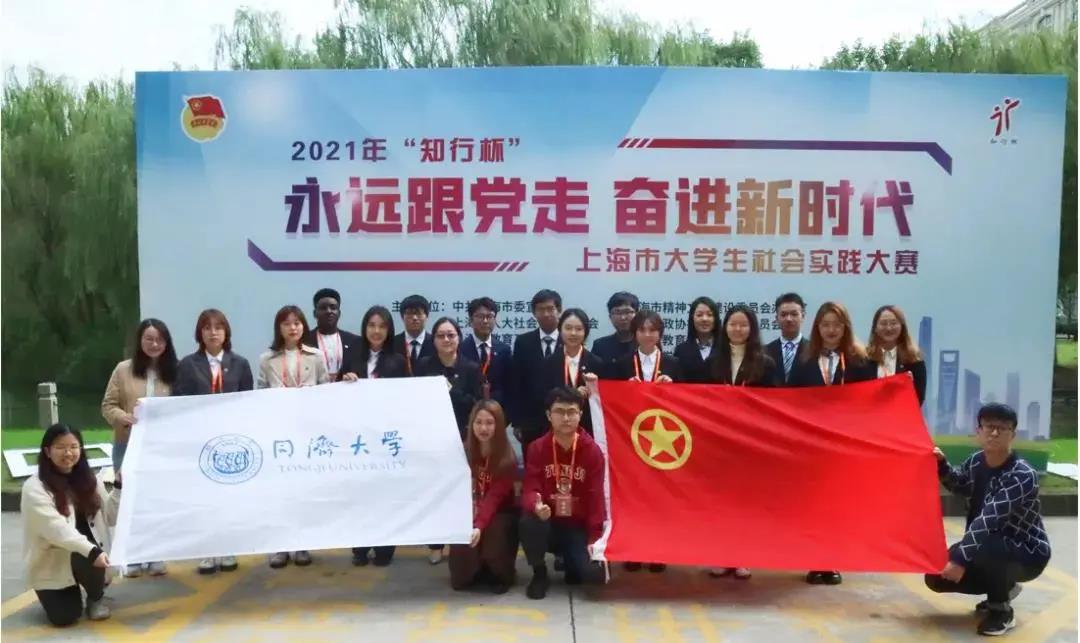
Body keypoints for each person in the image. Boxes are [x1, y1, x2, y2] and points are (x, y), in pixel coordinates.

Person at [925, 404, 1051, 637]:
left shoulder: (1022, 475)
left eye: (1002, 428)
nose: (994, 433)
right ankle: (1004, 586)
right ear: (978, 431)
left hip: (1028, 553)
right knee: (936, 578)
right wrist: (941, 464)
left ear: (1012, 435)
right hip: (988, 546)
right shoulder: (976, 462)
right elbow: (960, 485)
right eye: (989, 427)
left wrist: (960, 559)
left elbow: (989, 518)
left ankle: (1001, 611)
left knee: (987, 545)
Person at [788, 301, 876, 586]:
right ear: (817, 328)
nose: (831, 330)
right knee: (814, 504)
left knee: (839, 504)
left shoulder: (861, 361)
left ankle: (834, 559)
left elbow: (870, 402)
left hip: (845, 445)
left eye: (836, 325)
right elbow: (791, 400)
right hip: (813, 446)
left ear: (845, 327)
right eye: (825, 325)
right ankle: (815, 560)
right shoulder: (804, 360)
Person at [174, 308, 254, 575]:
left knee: (229, 496)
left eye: (218, 327)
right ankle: (206, 550)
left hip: (231, 440)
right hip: (200, 441)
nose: (213, 332)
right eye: (207, 328)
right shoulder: (187, 365)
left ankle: (228, 547)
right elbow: (179, 402)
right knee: (203, 497)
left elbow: (249, 402)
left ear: (226, 332)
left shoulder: (240, 363)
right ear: (200, 333)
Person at [22, 424, 121, 626]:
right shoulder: (34, 488)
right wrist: (92, 551)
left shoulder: (90, 480)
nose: (68, 453)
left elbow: (110, 516)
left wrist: (119, 487)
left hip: (89, 558)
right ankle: (62, 592)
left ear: (81, 450)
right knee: (65, 616)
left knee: (87, 554)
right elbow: (57, 530)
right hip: (54, 562)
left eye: (74, 447)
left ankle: (95, 596)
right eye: (60, 447)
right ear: (47, 451)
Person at [705, 304, 778, 579]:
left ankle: (744, 555)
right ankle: (721, 554)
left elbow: (776, 405)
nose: (738, 329)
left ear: (752, 328)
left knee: (746, 501)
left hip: (751, 444)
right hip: (719, 443)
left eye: (743, 325)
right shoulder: (713, 362)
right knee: (720, 501)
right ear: (724, 328)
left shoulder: (765, 363)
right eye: (733, 324)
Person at [101, 318, 176, 578]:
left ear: (166, 343)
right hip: (128, 444)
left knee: (157, 501)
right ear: (140, 341)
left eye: (159, 340)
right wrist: (124, 417)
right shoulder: (123, 370)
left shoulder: (175, 371)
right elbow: (107, 406)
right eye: (149, 339)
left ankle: (154, 554)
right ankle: (132, 555)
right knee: (130, 501)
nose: (154, 344)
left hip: (162, 447)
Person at [258, 305, 331, 569]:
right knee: (280, 491)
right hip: (279, 433)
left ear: (304, 326)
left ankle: (302, 544)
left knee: (304, 490)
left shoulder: (316, 356)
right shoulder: (266, 359)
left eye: (297, 323)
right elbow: (259, 393)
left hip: (307, 433)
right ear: (279, 328)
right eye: (287, 323)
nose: (293, 328)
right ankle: (280, 546)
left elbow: (326, 392)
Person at [520, 387, 606, 600]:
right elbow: (530, 487)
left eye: (571, 412)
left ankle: (570, 561)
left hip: (577, 526)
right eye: (559, 411)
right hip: (548, 522)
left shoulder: (592, 452)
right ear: (549, 415)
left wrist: (595, 540)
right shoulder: (537, 448)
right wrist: (535, 505)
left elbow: (596, 499)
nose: (566, 418)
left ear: (580, 415)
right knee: (528, 521)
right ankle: (539, 573)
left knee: (593, 577)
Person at [338, 305, 407, 566]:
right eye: (372, 325)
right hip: (358, 439)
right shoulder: (353, 358)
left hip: (385, 439)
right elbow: (336, 393)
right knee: (359, 495)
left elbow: (406, 399)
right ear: (364, 328)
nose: (376, 331)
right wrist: (345, 381)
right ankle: (360, 547)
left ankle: (384, 548)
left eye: (382, 326)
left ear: (389, 331)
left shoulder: (398, 361)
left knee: (386, 496)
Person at [612, 309, 680, 573]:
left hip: (664, 442)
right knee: (633, 496)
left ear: (660, 334)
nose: (647, 335)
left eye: (653, 330)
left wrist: (673, 388)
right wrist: (624, 390)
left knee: (660, 498)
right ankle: (633, 550)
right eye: (642, 330)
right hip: (630, 439)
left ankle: (657, 551)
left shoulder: (673, 363)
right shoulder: (621, 364)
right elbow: (609, 399)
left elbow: (689, 402)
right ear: (635, 333)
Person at [416, 317, 483, 565]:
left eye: (451, 335)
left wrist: (451, 390)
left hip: (463, 438)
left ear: (459, 338)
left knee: (462, 491)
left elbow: (477, 404)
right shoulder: (424, 365)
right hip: (432, 439)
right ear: (433, 340)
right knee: (434, 491)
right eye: (441, 335)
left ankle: (461, 540)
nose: (446, 339)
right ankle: (435, 544)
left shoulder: (471, 368)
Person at [449, 400, 519, 594]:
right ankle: (471, 571)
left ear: (499, 425)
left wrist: (479, 525)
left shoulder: (507, 458)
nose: (483, 428)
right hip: (471, 506)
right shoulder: (464, 452)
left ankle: (498, 573)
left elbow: (495, 498)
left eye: (489, 423)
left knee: (494, 530)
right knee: (459, 579)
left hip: (500, 511)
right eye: (478, 422)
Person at [510, 289, 562, 461]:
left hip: (563, 418)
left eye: (550, 309)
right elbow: (516, 383)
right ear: (534, 313)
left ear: (559, 310)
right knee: (533, 465)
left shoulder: (569, 340)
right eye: (540, 309)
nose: (546, 314)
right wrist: (517, 422)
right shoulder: (523, 342)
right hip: (531, 421)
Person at [535, 309, 604, 435]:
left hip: (587, 429)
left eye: (578, 329)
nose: (573, 333)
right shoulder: (548, 363)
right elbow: (542, 397)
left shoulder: (596, 363)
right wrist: (575, 394)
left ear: (586, 332)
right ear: (560, 330)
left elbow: (604, 401)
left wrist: (594, 388)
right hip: (556, 428)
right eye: (568, 328)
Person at [866, 305, 927, 406]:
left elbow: (919, 399)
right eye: (883, 323)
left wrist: (909, 386)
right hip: (870, 414)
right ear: (875, 328)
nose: (889, 328)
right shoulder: (863, 359)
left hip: (901, 414)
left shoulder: (914, 360)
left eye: (893, 323)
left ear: (902, 327)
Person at [458, 297, 513, 407]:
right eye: (480, 316)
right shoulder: (460, 349)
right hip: (468, 410)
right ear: (470, 321)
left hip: (497, 410)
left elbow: (509, 386)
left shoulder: (504, 350)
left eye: (489, 316)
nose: (485, 321)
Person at [305, 287, 361, 382]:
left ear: (339, 313)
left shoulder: (354, 341)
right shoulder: (304, 340)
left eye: (333, 307)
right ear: (315, 313)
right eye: (323, 308)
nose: (329, 311)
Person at [765, 293, 811, 385]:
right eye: (784, 315)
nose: (789, 319)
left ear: (803, 316)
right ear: (776, 318)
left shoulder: (814, 350)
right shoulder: (765, 352)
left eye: (794, 314)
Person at [673, 297, 720, 384]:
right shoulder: (681, 350)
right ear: (692, 319)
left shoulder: (725, 348)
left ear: (716, 319)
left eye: (709, 315)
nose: (704, 319)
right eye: (699, 315)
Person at [590, 292, 640, 371]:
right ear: (610, 317)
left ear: (637, 314)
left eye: (627, 312)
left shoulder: (646, 344)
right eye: (617, 312)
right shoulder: (600, 345)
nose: (623, 317)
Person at [391, 294, 435, 375]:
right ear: (402, 317)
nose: (414, 318)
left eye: (418, 313)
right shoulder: (392, 343)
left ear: (427, 316)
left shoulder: (435, 343)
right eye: (409, 313)